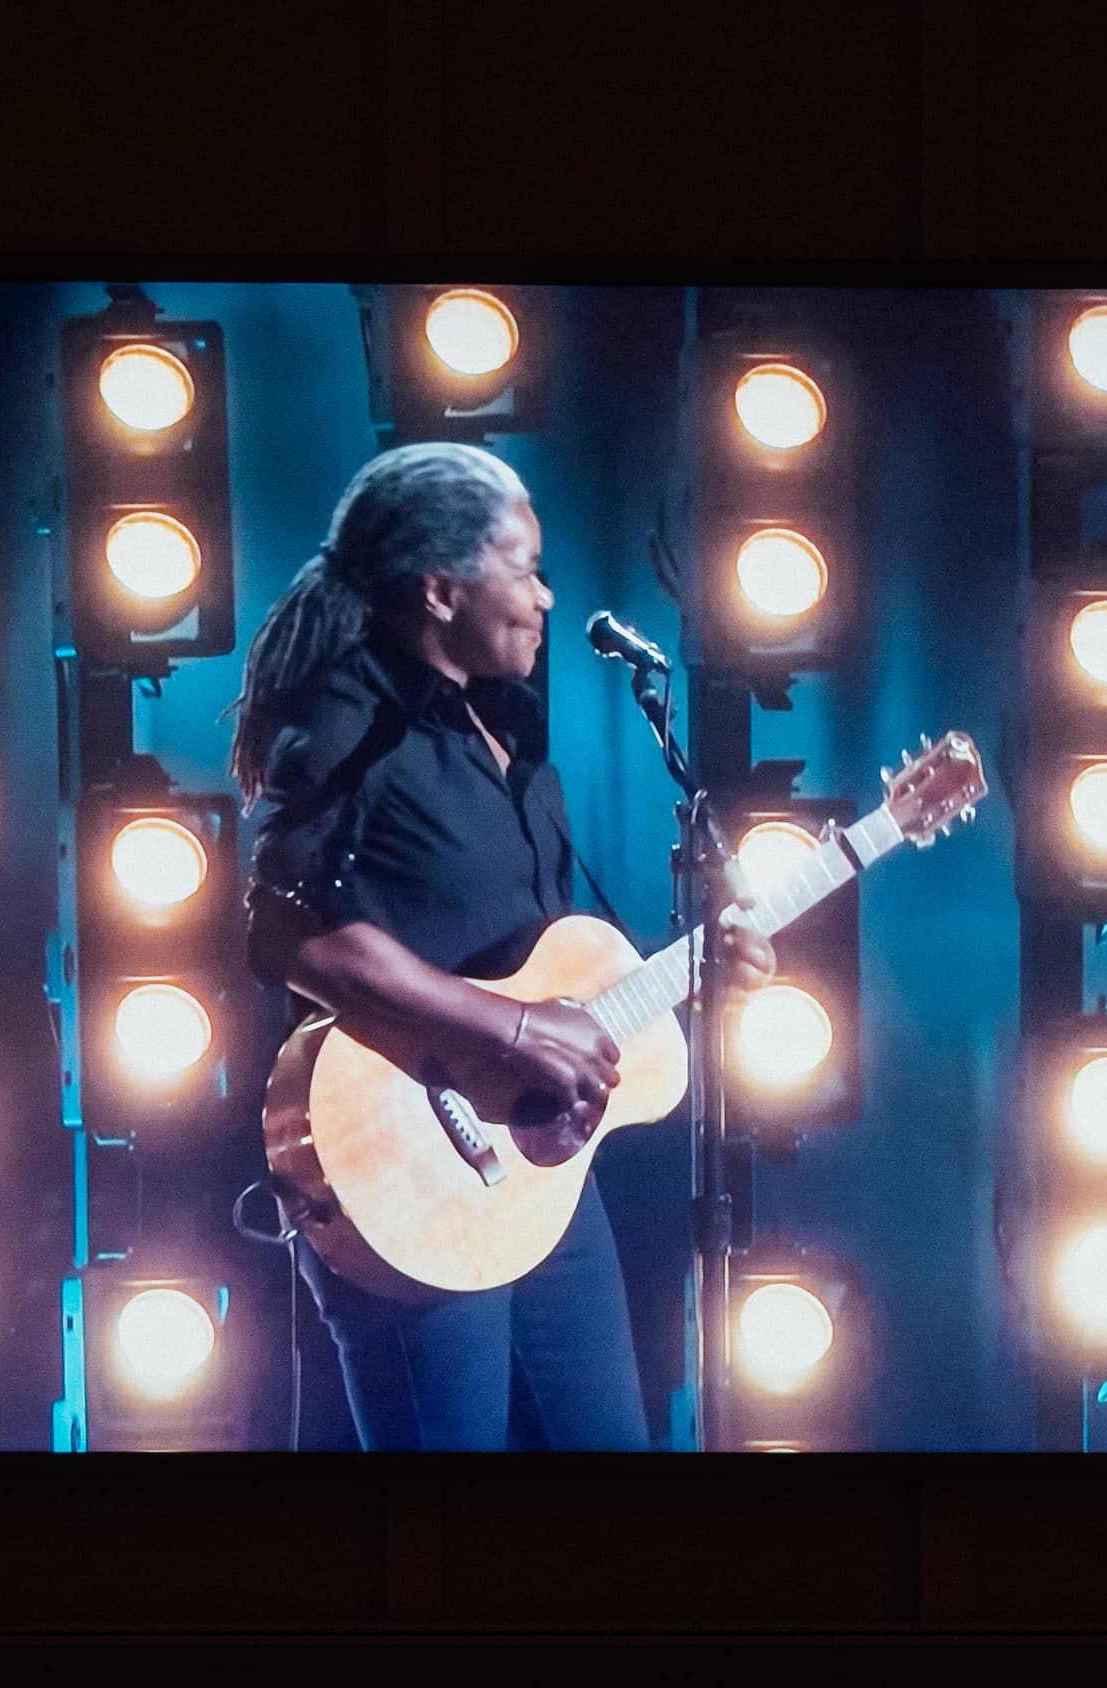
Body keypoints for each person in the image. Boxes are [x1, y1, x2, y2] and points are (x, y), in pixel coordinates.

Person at [229, 441, 776, 1452]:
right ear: (441, 589)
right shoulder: (354, 717)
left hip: (535, 1169)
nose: (548, 598)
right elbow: (282, 927)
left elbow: (542, 966)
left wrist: (698, 968)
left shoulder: (510, 728)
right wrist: (510, 1022)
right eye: (523, 568)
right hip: (405, 1170)